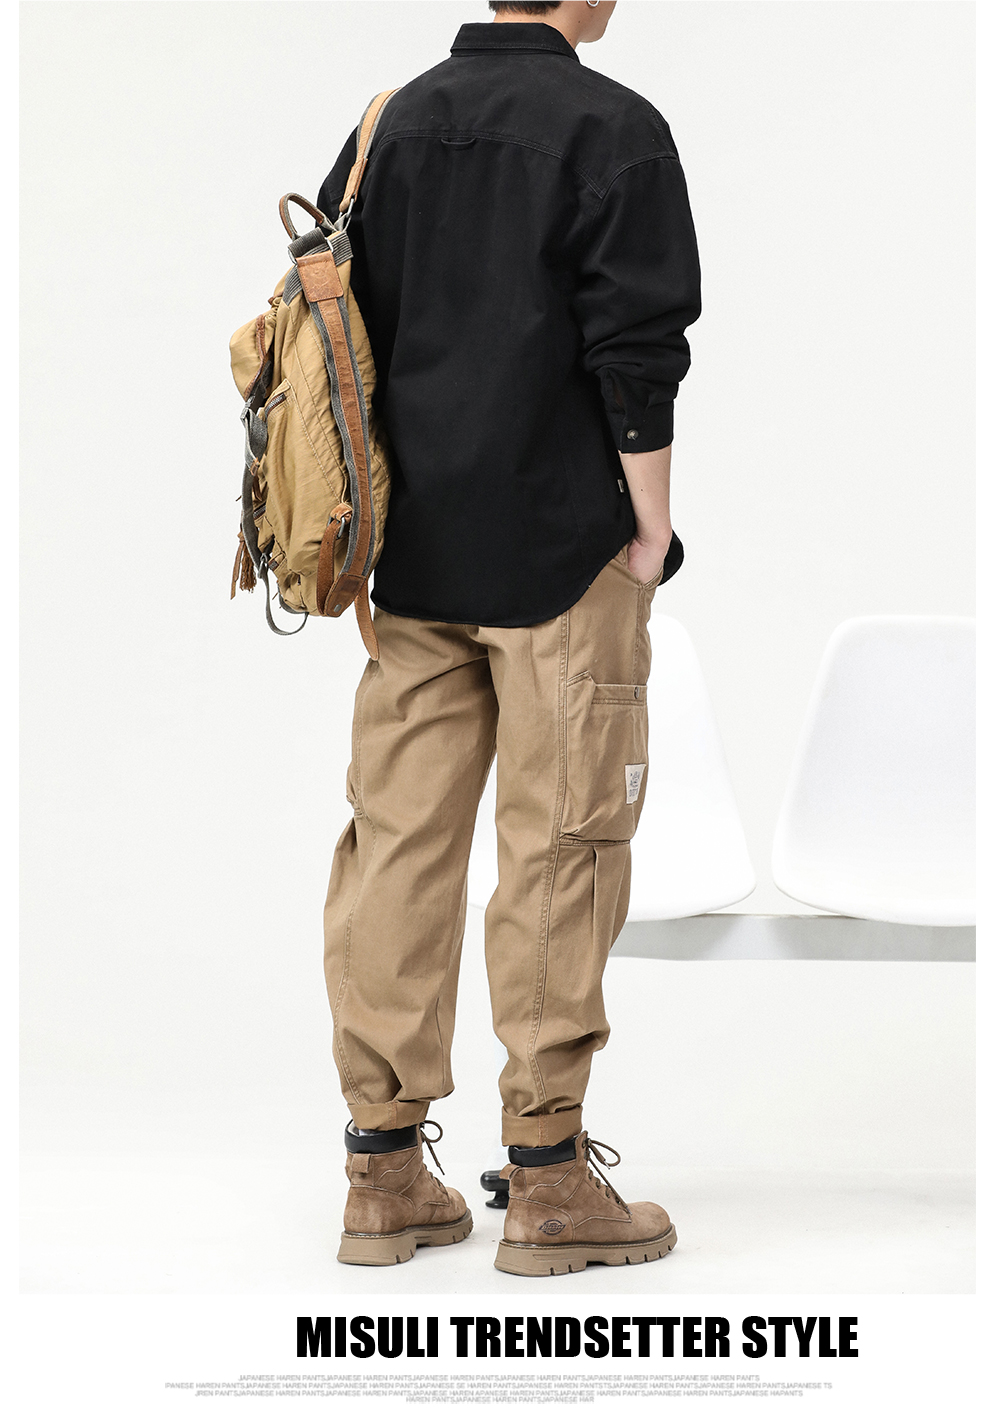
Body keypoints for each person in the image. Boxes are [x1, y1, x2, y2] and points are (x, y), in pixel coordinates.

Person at [316, 0, 700, 1277]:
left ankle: (382, 1172)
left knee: (396, 846)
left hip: (409, 562)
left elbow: (345, 331)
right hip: (559, 552)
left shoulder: (389, 124)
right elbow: (637, 353)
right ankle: (545, 1183)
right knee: (562, 848)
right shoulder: (613, 127)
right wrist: (650, 529)